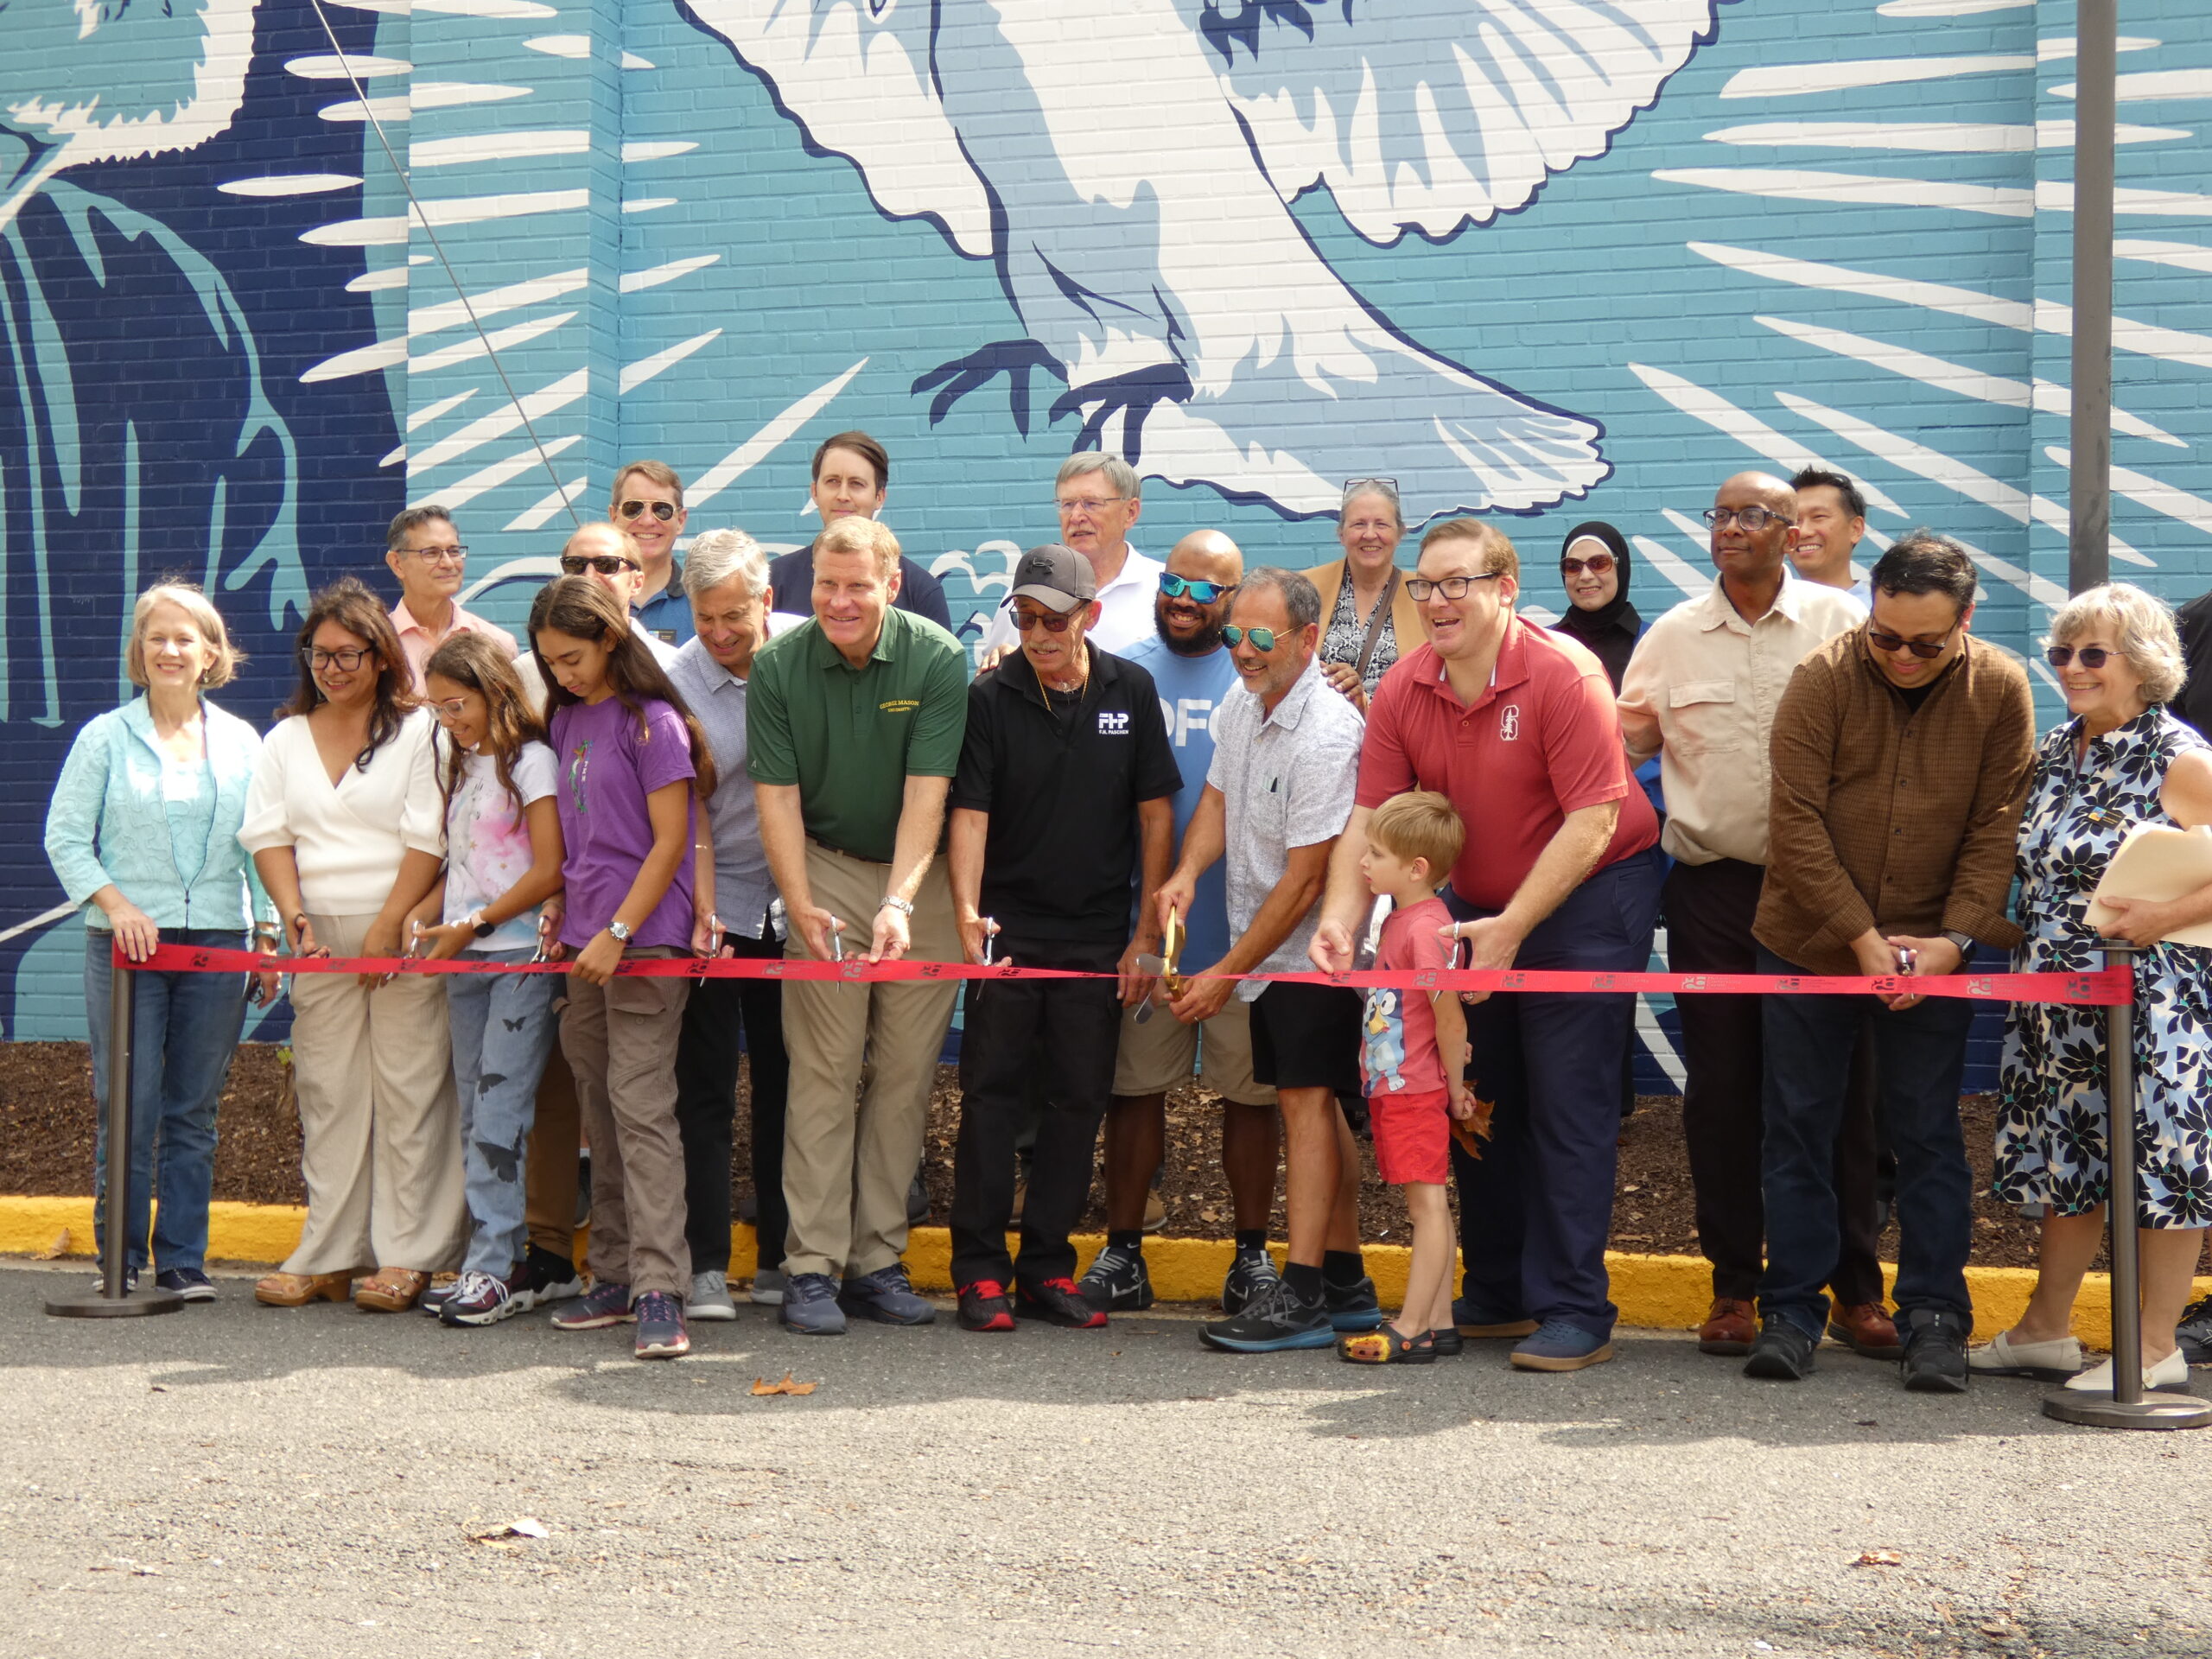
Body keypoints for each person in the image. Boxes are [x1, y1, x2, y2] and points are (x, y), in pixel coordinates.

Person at [1314, 519, 1663, 1375]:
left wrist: (1513, 930)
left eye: (1455, 583)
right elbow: (1371, 817)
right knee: (1474, 1096)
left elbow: (1595, 817)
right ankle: (1501, 1290)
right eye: (1424, 586)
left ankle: (1577, 1306)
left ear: (1504, 589)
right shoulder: (1402, 687)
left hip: (1589, 896)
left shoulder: (1562, 674)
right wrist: (1340, 915)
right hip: (1473, 904)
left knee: (1566, 1102)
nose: (1436, 601)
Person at [1745, 531, 2034, 1391]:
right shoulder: (1823, 677)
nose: (1901, 656)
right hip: (1808, 942)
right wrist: (1862, 942)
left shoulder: (2001, 690)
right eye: (1885, 637)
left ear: (1966, 621)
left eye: (1925, 643)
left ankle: (1936, 1319)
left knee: (1929, 1137)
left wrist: (1952, 942)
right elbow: (1793, 819)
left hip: (1935, 951)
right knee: (1796, 1130)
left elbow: (1997, 826)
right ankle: (1790, 1312)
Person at [1616, 473, 1879, 1359]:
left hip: (1825, 894)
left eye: (1751, 515)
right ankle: (1734, 1286)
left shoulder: (1842, 627)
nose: (1730, 527)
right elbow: (1621, 747)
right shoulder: (1671, 637)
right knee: (1722, 1096)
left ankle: (1853, 1289)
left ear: (1791, 533)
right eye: (1719, 514)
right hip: (1714, 893)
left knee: (1833, 1098)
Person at [1974, 583, 2212, 1394]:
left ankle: (2154, 1345)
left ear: (2141, 664)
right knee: (2067, 1161)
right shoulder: (2055, 748)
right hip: (2055, 1000)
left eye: (2092, 654)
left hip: (2149, 998)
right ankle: (2045, 1328)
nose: (2071, 668)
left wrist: (2167, 913)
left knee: (2161, 1163)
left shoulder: (2176, 756)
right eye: (2061, 653)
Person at [946, 543, 1179, 1332]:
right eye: (1026, 618)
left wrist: (1145, 932)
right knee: (990, 1099)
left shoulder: (1132, 689)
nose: (1039, 634)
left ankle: (1047, 1266)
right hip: (1010, 929)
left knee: (1078, 1102)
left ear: (1091, 615)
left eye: (1054, 619)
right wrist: (968, 910)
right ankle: (978, 1272)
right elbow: (969, 814)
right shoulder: (991, 696)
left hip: (1094, 937)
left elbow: (1155, 815)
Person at [748, 515, 969, 1335]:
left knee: (906, 1076)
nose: (839, 601)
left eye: (857, 586)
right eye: (826, 586)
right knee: (823, 1071)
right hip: (824, 864)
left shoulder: (936, 658)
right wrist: (797, 898)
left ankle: (877, 1259)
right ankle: (810, 1265)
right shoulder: (777, 664)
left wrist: (903, 902)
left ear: (892, 580)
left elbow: (927, 792)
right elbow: (775, 798)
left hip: (923, 878)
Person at [1154, 567, 1378, 1353]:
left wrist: (1223, 974)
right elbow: (1216, 799)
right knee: (1310, 1104)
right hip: (1269, 946)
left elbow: (1308, 878)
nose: (1241, 652)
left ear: (1308, 640)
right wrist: (1186, 873)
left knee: (1304, 1106)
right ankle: (1347, 1280)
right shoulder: (1243, 703)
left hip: (1316, 951)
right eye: (1233, 636)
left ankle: (1306, 1291)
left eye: (1260, 638)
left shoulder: (1328, 732)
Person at [43, 582, 278, 1301]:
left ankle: (183, 1260)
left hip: (216, 940)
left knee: (193, 1109)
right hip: (126, 952)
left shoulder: (242, 740)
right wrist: (117, 905)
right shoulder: (104, 737)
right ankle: (121, 1257)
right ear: (138, 654)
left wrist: (265, 934)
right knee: (129, 1102)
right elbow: (64, 839)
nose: (170, 650)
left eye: (185, 639)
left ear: (211, 653)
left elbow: (262, 843)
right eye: (157, 638)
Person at [239, 577, 461, 1312]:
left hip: (401, 933)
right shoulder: (284, 739)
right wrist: (293, 915)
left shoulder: (421, 729)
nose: (332, 669)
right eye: (319, 655)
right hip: (320, 939)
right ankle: (330, 1251)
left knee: (411, 1088)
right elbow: (269, 835)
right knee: (329, 1092)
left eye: (348, 655)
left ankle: (411, 1255)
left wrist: (390, 921)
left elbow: (428, 838)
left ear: (381, 655)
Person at [1078, 531, 1282, 1317]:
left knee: (1251, 1096)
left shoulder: (1256, 679)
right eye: (1175, 581)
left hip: (1244, 929)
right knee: (1133, 1091)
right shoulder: (1121, 667)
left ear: (1234, 602)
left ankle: (1253, 1260)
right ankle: (1124, 1252)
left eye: (1208, 590)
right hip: (1145, 928)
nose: (1185, 600)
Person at [531, 577, 715, 1360]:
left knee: (642, 1113)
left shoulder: (657, 722)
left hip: (644, 946)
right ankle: (609, 1272)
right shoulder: (567, 717)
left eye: (572, 657)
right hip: (583, 946)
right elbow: (579, 842)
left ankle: (659, 1289)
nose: (563, 674)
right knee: (600, 1116)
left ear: (610, 638)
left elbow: (669, 840)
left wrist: (617, 928)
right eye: (550, 663)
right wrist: (565, 917)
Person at [410, 632, 566, 1327]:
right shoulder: (463, 765)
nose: (449, 719)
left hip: (518, 959)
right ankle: (485, 1257)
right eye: (439, 709)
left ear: (493, 689)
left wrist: (471, 927)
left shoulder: (532, 762)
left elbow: (548, 870)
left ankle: (493, 1267)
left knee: (502, 1110)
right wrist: (424, 919)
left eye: (458, 704)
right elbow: (462, 867)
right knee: (476, 1110)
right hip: (465, 959)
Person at [665, 529, 793, 1318]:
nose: (718, 635)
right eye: (705, 617)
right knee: (703, 1088)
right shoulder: (674, 682)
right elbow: (683, 805)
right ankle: (707, 1263)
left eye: (734, 617)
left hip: (800, 904)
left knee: (790, 1084)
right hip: (712, 905)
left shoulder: (805, 659)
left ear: (766, 601)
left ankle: (781, 1254)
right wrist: (701, 904)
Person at [1335, 791, 1472, 1366]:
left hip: (1416, 1087)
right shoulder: (1401, 920)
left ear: (1416, 869)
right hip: (1398, 1085)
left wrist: (1457, 1085)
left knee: (1427, 1207)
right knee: (1427, 1203)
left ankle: (1412, 1326)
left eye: (1376, 854)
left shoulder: (1427, 930)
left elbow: (1449, 1015)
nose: (1364, 863)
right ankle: (1438, 1321)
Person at [764, 431, 952, 631]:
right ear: (814, 492)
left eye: (856, 484)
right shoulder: (775, 580)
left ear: (879, 496)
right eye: (833, 482)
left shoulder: (920, 590)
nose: (843, 495)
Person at [977, 455, 1164, 656]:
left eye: (1092, 503)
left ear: (1130, 512)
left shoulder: (1164, 590)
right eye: (1067, 504)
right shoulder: (1026, 595)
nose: (1076, 517)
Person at [1303, 478, 1426, 712]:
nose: (1370, 534)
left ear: (1400, 533)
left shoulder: (1425, 593)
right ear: (1341, 534)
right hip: (1323, 739)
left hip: (1396, 740)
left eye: (1381, 524)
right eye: (1359, 524)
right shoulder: (1306, 588)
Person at [383, 504, 516, 692]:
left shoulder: (496, 643)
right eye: (431, 553)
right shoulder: (379, 645)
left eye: (454, 551)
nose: (447, 563)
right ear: (397, 564)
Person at [613, 460, 695, 645]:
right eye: (633, 508)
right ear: (613, 516)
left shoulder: (702, 604)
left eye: (662, 509)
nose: (647, 521)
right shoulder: (591, 600)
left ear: (680, 521)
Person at [1789, 467, 1871, 603]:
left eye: (1818, 517)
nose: (1803, 532)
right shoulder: (1770, 616)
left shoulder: (1879, 618)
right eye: (1795, 520)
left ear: (1855, 529)